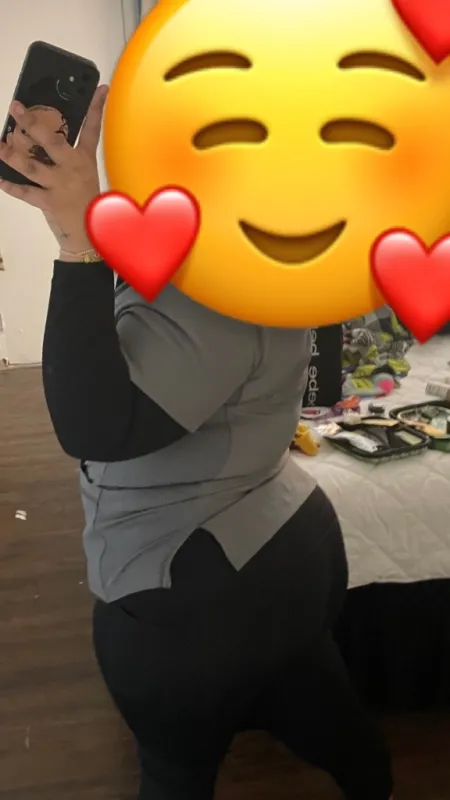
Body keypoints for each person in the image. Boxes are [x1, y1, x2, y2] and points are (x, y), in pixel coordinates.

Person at [0, 87, 394, 800]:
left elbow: (96, 427)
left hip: (193, 587)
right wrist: (85, 221)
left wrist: (75, 244)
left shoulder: (214, 281)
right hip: (284, 536)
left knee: (174, 772)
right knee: (326, 716)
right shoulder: (263, 247)